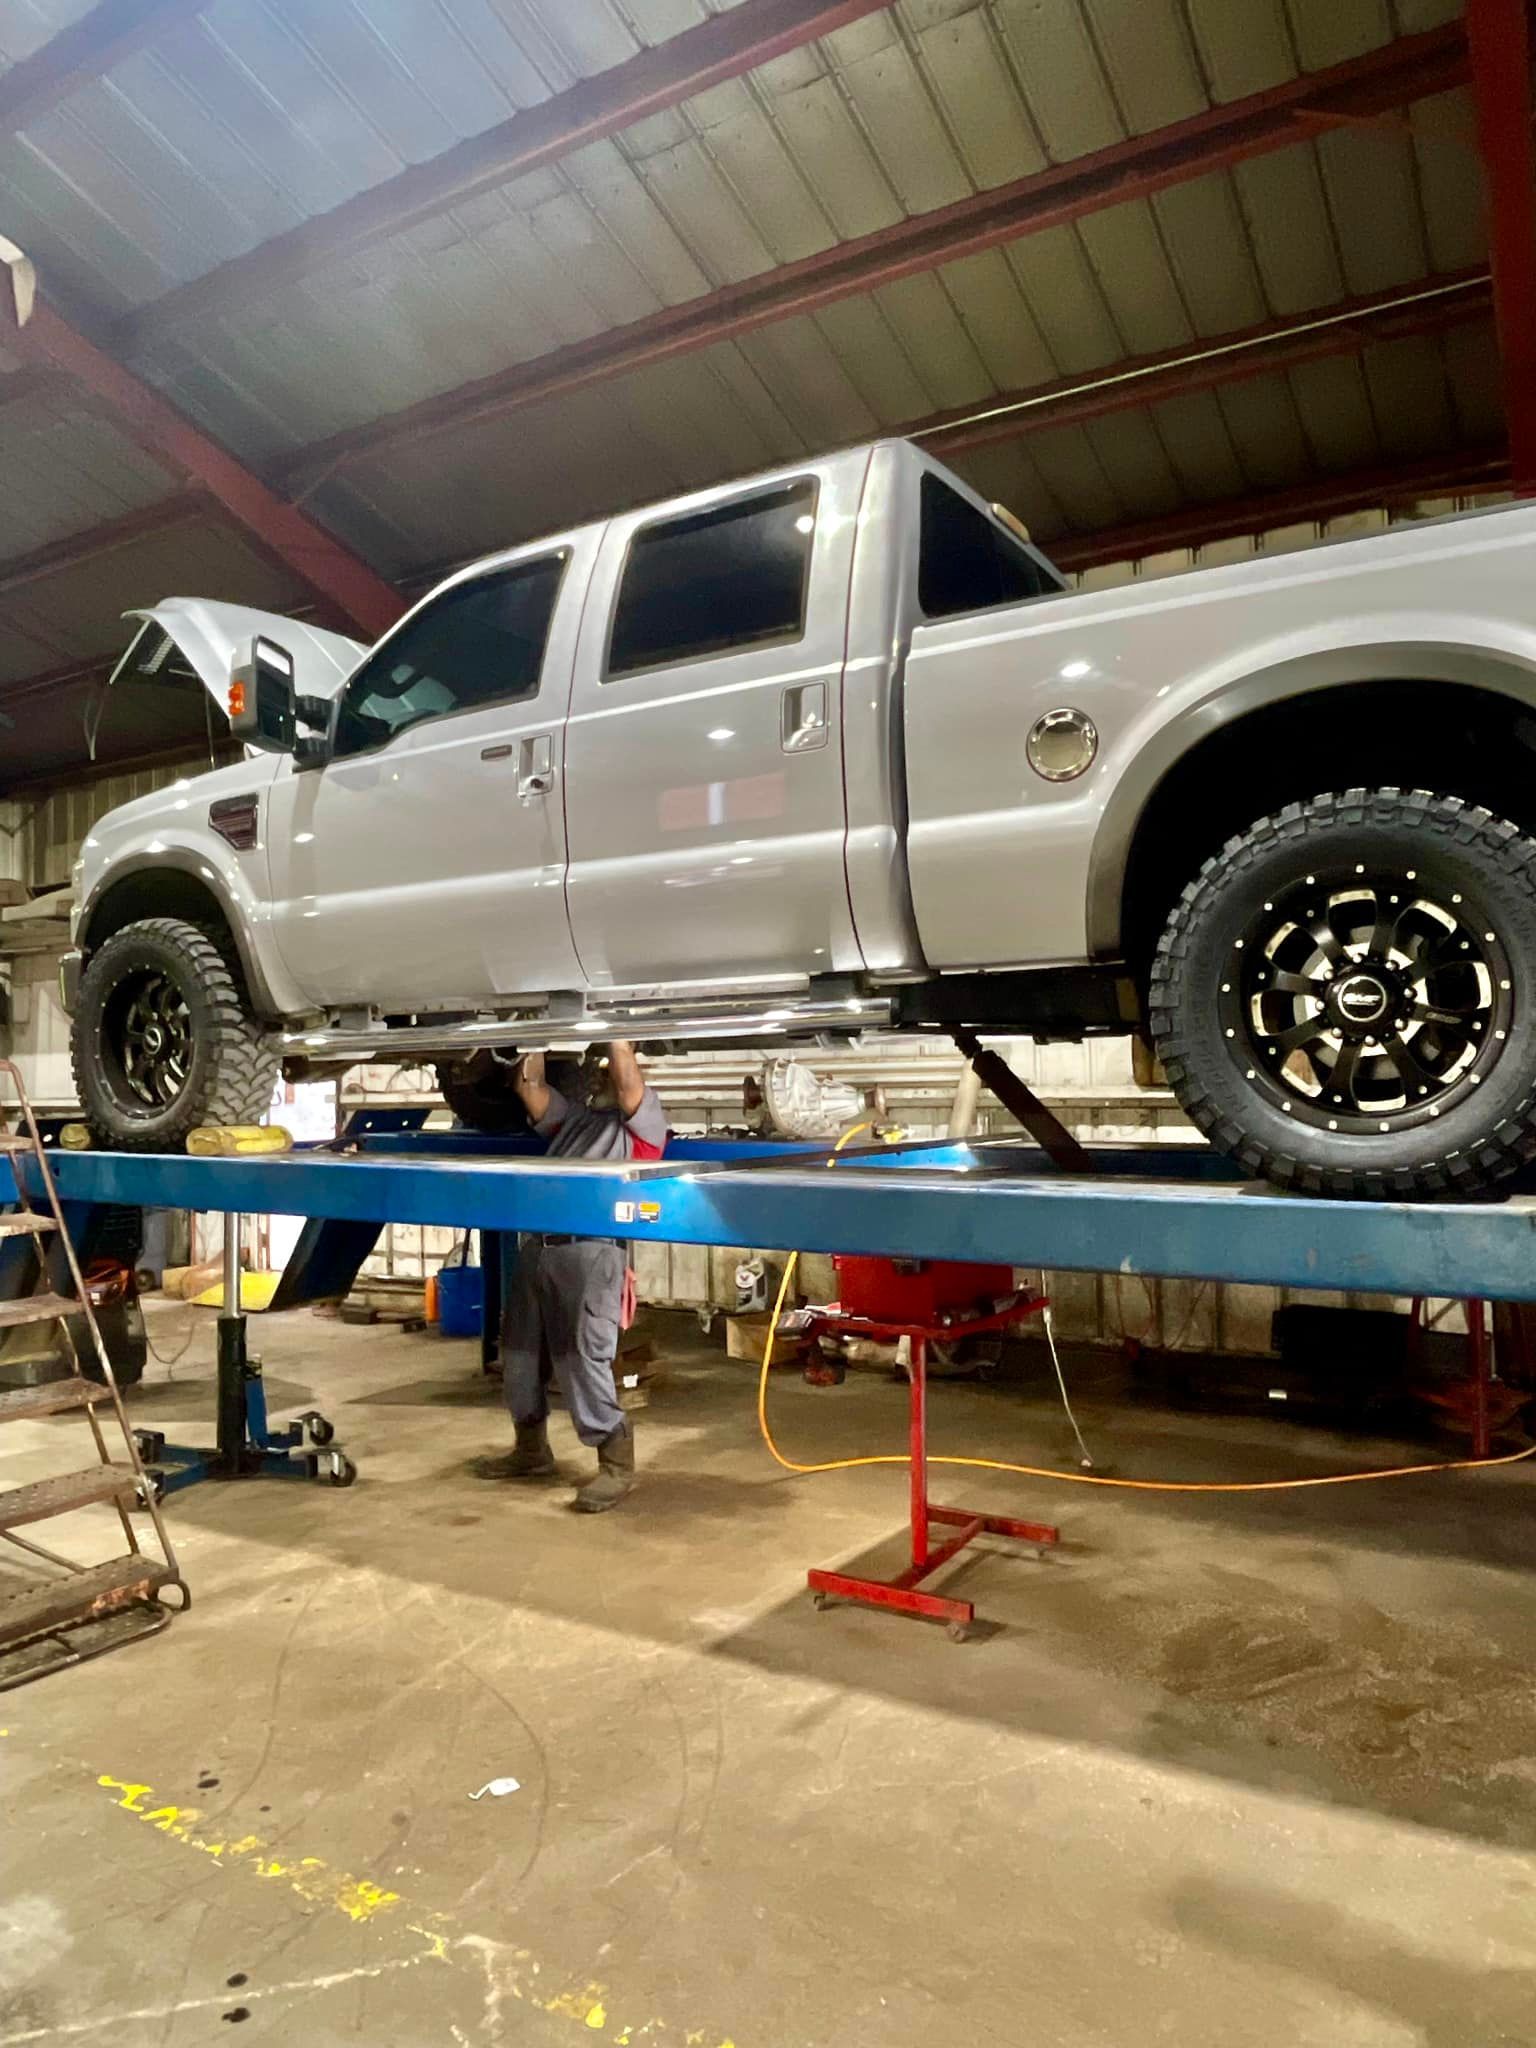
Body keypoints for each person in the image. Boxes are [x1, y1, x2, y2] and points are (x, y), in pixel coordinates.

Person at [498, 1041, 667, 1512]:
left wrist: (615, 1037)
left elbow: (629, 1082)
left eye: (609, 1070)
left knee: (582, 1360)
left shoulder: (644, 1127)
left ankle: (615, 1466)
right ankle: (530, 1451)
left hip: (591, 1256)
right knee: (519, 1356)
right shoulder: (576, 1122)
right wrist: (536, 1037)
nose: (601, 1078)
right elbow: (530, 1088)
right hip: (539, 1250)